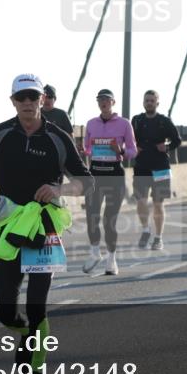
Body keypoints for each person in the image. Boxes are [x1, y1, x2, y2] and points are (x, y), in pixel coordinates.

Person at [0, 73, 91, 374]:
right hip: (10, 226)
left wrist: (59, 188)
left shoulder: (58, 137)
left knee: (37, 306)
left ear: (43, 99)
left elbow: (86, 182)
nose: (27, 103)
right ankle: (26, 335)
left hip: (45, 227)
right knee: (6, 311)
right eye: (21, 97)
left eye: (33, 97)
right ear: (13, 101)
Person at [82, 89, 137, 275]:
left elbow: (132, 151)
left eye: (106, 99)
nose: (103, 103)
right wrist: (84, 152)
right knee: (91, 217)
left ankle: (111, 260)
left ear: (113, 102)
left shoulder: (124, 124)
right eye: (100, 100)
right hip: (95, 174)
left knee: (109, 220)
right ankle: (95, 253)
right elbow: (87, 149)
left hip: (114, 174)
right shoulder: (90, 124)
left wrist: (119, 151)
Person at [131, 90, 182, 251]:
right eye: (147, 100)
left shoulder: (164, 121)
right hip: (141, 166)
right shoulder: (137, 120)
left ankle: (158, 238)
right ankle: (146, 230)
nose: (149, 103)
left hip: (160, 167)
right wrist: (134, 148)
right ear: (143, 102)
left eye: (152, 101)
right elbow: (129, 139)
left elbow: (177, 140)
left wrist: (166, 146)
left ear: (157, 103)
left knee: (158, 204)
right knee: (140, 201)